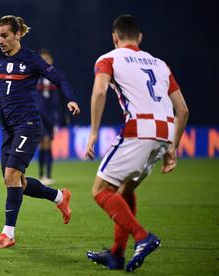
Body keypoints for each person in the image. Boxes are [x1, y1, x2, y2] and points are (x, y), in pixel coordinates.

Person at [0, 15, 80, 249]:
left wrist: (70, 100)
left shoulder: (32, 59)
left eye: (4, 35)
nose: (0, 40)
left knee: (11, 175)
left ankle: (8, 234)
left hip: (29, 125)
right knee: (18, 183)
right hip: (9, 128)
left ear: (18, 34)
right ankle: (59, 197)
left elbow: (59, 78)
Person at [85, 15, 189, 272]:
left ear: (114, 37)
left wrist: (94, 133)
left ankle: (143, 237)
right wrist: (172, 148)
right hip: (165, 132)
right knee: (125, 191)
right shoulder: (161, 64)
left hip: (138, 129)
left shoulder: (109, 58)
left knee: (100, 191)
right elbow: (183, 110)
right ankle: (117, 255)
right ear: (139, 37)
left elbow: (99, 91)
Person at [35, 49, 70, 185]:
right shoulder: (34, 77)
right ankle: (42, 174)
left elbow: (63, 97)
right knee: (43, 142)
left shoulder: (56, 77)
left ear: (51, 62)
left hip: (52, 115)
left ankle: (47, 175)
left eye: (47, 60)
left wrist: (65, 115)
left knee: (48, 143)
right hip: (38, 116)